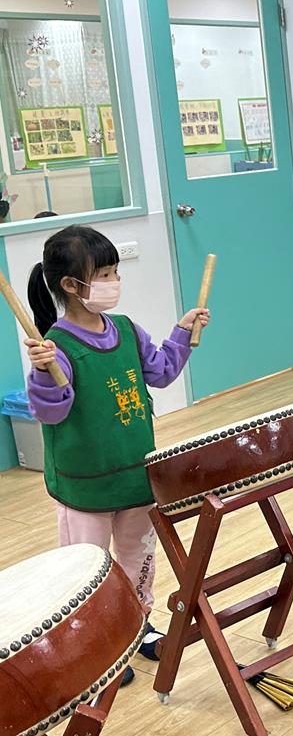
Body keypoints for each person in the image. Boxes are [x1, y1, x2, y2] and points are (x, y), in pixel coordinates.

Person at [24, 224, 209, 685]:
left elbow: (161, 371)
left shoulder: (125, 330)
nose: (114, 282)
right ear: (72, 285)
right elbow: (51, 411)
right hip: (85, 485)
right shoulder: (57, 347)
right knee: (87, 569)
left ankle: (136, 625)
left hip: (135, 478)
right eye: (104, 274)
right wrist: (44, 372)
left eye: (114, 272)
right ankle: (92, 643)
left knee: (138, 558)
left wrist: (182, 332)